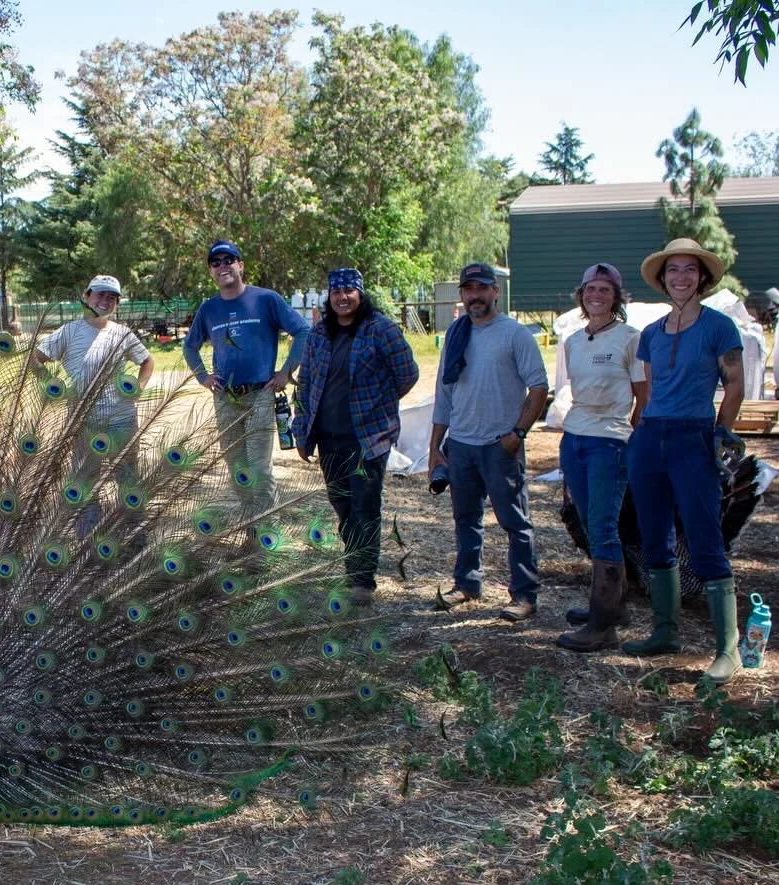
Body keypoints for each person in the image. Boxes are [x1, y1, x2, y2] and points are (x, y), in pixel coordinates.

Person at [623, 238, 746, 684]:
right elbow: (651, 391)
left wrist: (722, 430)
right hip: (650, 436)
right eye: (673, 270)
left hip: (694, 436)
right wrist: (640, 435)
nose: (680, 277)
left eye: (689, 270)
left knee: (703, 534)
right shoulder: (651, 334)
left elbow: (734, 384)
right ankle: (665, 633)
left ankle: (727, 649)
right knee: (654, 535)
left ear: (702, 278)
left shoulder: (719, 328)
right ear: (662, 278)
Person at [428, 263, 549, 622]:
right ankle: (467, 584)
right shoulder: (456, 333)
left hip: (500, 445)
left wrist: (518, 434)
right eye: (468, 289)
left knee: (515, 521)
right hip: (461, 444)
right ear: (462, 294)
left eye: (482, 288)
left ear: (495, 291)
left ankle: (524, 594)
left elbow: (539, 387)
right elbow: (444, 391)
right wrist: (436, 445)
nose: (475, 296)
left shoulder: (514, 334)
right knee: (466, 518)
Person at [292, 268, 418, 606]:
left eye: (349, 291)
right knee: (344, 506)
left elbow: (408, 374)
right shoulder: (319, 333)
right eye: (336, 292)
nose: (343, 297)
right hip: (329, 438)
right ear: (329, 297)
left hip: (369, 438)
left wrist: (380, 405)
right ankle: (354, 568)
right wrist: (301, 430)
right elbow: (305, 384)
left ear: (360, 294)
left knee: (365, 507)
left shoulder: (381, 330)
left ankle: (362, 581)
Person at [555, 263, 648, 652]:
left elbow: (644, 397)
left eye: (604, 290)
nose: (596, 295)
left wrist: (632, 438)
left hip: (609, 441)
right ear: (581, 295)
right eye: (590, 289)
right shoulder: (573, 340)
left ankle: (602, 624)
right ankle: (616, 605)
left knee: (604, 524)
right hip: (574, 437)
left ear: (616, 297)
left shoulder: (631, 338)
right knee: (590, 523)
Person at [182, 240, 310, 524]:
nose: (223, 266)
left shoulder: (266, 299)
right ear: (211, 272)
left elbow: (303, 331)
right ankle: (253, 530)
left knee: (259, 469)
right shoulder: (208, 309)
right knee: (238, 470)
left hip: (259, 395)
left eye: (229, 260)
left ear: (241, 265)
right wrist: (203, 376)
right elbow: (189, 346)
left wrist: (286, 372)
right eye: (216, 262)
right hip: (225, 399)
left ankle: (266, 539)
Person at [33, 275, 155, 533]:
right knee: (85, 478)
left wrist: (139, 387)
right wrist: (54, 387)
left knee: (128, 476)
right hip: (83, 420)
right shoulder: (68, 331)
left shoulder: (122, 334)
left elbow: (147, 361)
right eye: (100, 294)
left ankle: (134, 533)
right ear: (86, 296)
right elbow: (35, 359)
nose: (105, 301)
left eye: (112, 297)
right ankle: (86, 538)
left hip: (121, 418)